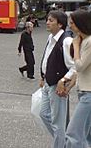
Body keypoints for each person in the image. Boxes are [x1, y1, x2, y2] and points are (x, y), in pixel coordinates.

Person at [39, 10, 76, 148]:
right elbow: (47, 57)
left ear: (60, 24)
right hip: (48, 83)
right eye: (48, 20)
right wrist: (42, 76)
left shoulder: (66, 41)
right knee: (43, 114)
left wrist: (63, 80)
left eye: (51, 20)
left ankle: (61, 143)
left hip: (58, 86)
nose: (47, 23)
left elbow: (75, 67)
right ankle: (63, 141)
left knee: (58, 123)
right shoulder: (50, 37)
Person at [65, 9, 91, 148]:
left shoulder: (89, 41)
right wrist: (70, 85)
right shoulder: (85, 40)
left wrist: (75, 46)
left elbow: (80, 66)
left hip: (88, 94)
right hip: (84, 92)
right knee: (86, 136)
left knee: (74, 134)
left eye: (73, 23)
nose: (70, 26)